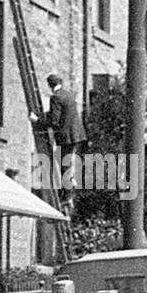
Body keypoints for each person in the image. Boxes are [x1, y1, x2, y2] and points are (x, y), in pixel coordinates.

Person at [34, 74, 86, 210]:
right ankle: (70, 185)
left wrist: (37, 120)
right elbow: (59, 114)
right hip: (76, 135)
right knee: (66, 162)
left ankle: (68, 196)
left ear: (50, 85)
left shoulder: (55, 97)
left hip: (66, 136)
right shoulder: (68, 95)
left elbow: (54, 121)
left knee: (63, 163)